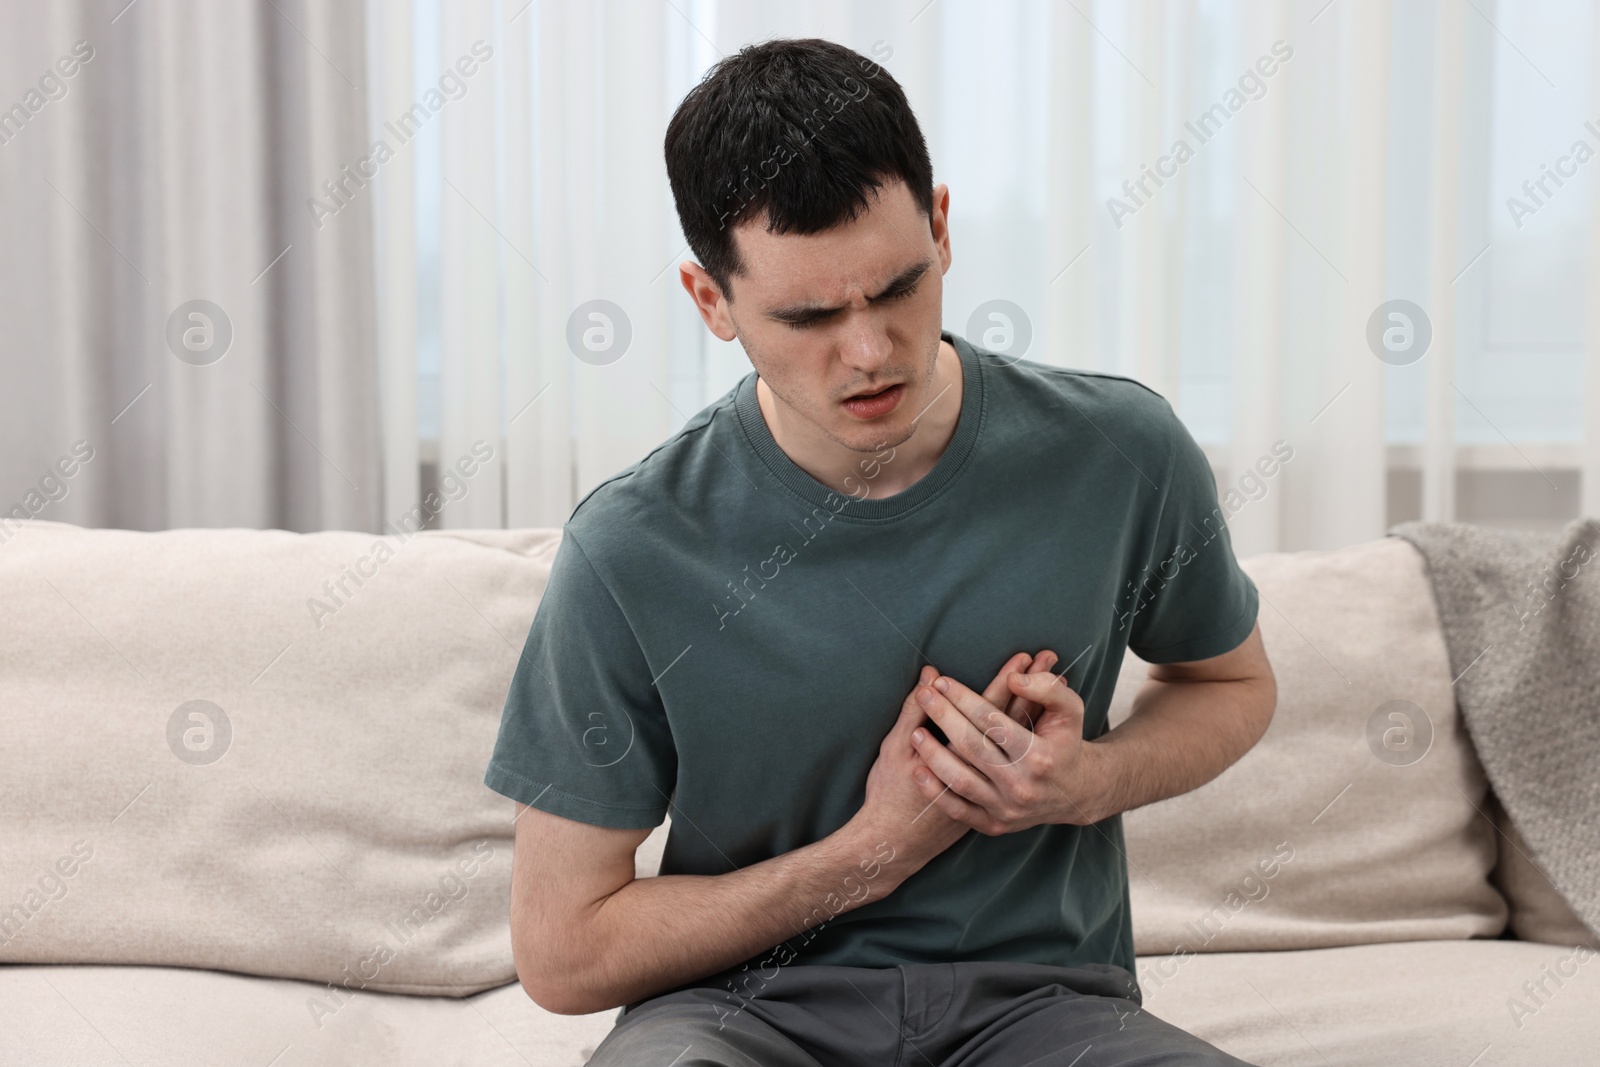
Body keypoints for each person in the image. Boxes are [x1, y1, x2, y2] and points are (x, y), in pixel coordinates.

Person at [484, 36, 1276, 1067]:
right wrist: (871, 853)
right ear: (709, 301)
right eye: (807, 315)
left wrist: (1085, 780)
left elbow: (1231, 682)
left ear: (941, 230)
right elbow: (562, 951)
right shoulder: (629, 548)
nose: (867, 352)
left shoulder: (1120, 451)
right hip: (735, 1017)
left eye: (896, 288)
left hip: (1046, 1010)